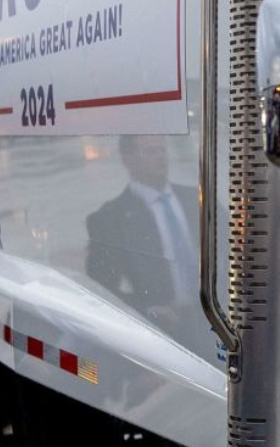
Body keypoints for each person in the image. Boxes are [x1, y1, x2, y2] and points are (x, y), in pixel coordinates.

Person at [85, 134, 198, 316]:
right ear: (128, 160)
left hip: (214, 315)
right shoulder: (111, 218)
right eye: (150, 151)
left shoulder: (196, 199)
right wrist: (146, 312)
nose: (161, 157)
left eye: (162, 150)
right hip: (164, 326)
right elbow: (100, 287)